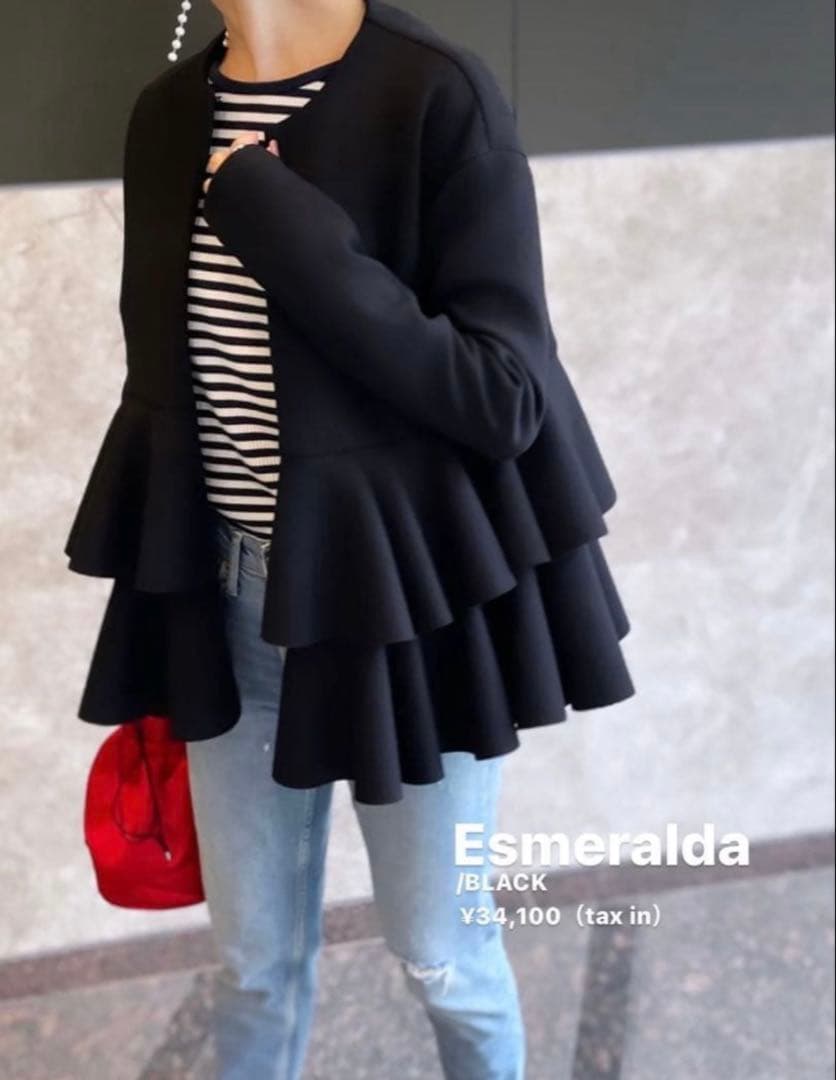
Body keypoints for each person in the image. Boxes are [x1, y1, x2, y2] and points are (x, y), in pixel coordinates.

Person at [65, 0, 636, 1076]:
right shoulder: (168, 114)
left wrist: (279, 221)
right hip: (226, 601)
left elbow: (503, 396)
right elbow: (170, 384)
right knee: (251, 963)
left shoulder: (435, 94)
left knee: (442, 957)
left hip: (402, 609)